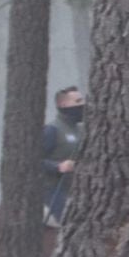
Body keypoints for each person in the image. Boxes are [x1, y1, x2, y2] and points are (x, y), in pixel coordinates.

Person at [41, 85, 85, 224]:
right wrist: (58, 166)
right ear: (63, 105)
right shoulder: (51, 130)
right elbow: (33, 161)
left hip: (76, 188)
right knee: (71, 222)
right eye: (78, 101)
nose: (83, 105)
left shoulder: (82, 129)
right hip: (53, 189)